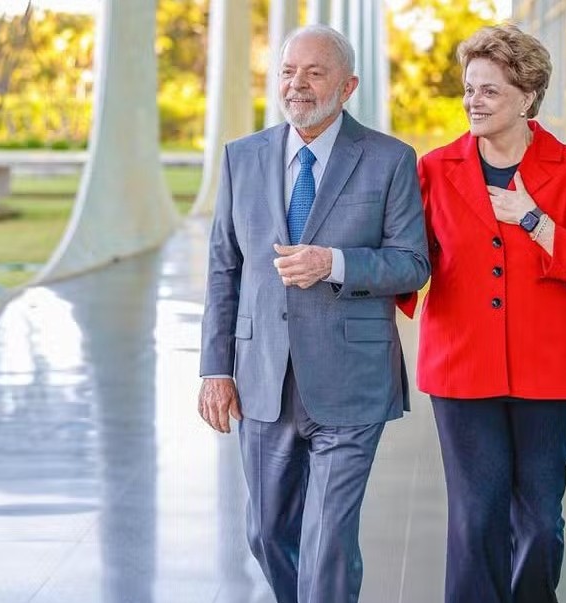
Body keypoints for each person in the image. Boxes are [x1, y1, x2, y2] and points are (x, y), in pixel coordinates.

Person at [197, 24, 430, 603]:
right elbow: (224, 270)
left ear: (347, 86)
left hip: (352, 378)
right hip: (261, 377)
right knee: (267, 533)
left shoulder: (390, 160)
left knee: (327, 541)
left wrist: (335, 262)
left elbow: (411, 264)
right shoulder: (241, 158)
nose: (296, 84)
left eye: (314, 72)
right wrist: (214, 369)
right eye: (287, 71)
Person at [405, 24, 566, 603]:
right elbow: (409, 261)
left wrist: (536, 221)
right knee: (477, 519)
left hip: (550, 372)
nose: (473, 101)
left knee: (541, 522)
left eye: (489, 90)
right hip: (461, 369)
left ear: (527, 96)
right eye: (469, 89)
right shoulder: (434, 169)